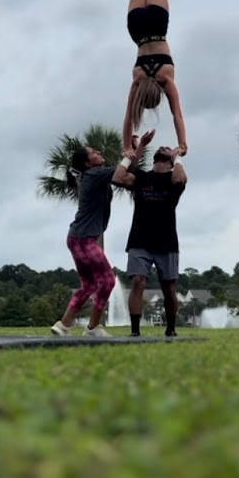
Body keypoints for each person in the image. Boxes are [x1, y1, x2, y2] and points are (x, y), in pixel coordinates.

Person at [51, 133, 153, 339]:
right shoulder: (93, 175)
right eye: (94, 153)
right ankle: (92, 327)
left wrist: (138, 148)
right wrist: (129, 152)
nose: (99, 152)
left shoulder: (96, 174)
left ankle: (64, 325)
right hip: (83, 239)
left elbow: (127, 171)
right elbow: (121, 172)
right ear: (88, 164)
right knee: (107, 281)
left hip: (79, 238)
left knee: (89, 285)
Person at [123, 0, 188, 156]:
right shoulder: (137, 79)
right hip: (138, 30)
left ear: (159, 94)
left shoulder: (166, 78)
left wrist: (183, 144)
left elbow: (177, 114)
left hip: (158, 25)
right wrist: (125, 146)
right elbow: (128, 118)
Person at [112, 140, 187, 338]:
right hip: (140, 240)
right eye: (161, 148)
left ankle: (171, 329)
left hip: (166, 241)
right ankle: (135, 331)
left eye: (168, 148)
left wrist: (177, 157)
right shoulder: (142, 177)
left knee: (169, 288)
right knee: (138, 281)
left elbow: (181, 179)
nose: (163, 147)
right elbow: (118, 178)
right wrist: (133, 152)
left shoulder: (174, 178)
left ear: (171, 159)